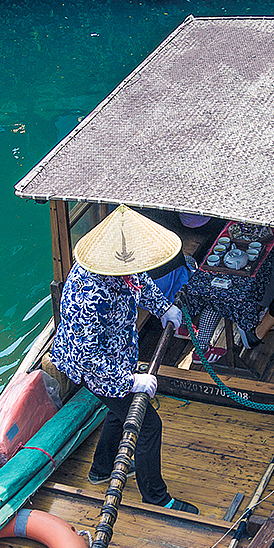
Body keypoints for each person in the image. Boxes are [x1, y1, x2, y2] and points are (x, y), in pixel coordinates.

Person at [49, 204, 198, 514]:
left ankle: (101, 469)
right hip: (95, 367)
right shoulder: (90, 295)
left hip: (118, 352)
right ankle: (155, 496)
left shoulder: (120, 269)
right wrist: (131, 381)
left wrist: (162, 307)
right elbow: (87, 357)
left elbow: (138, 282)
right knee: (148, 425)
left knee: (118, 413)